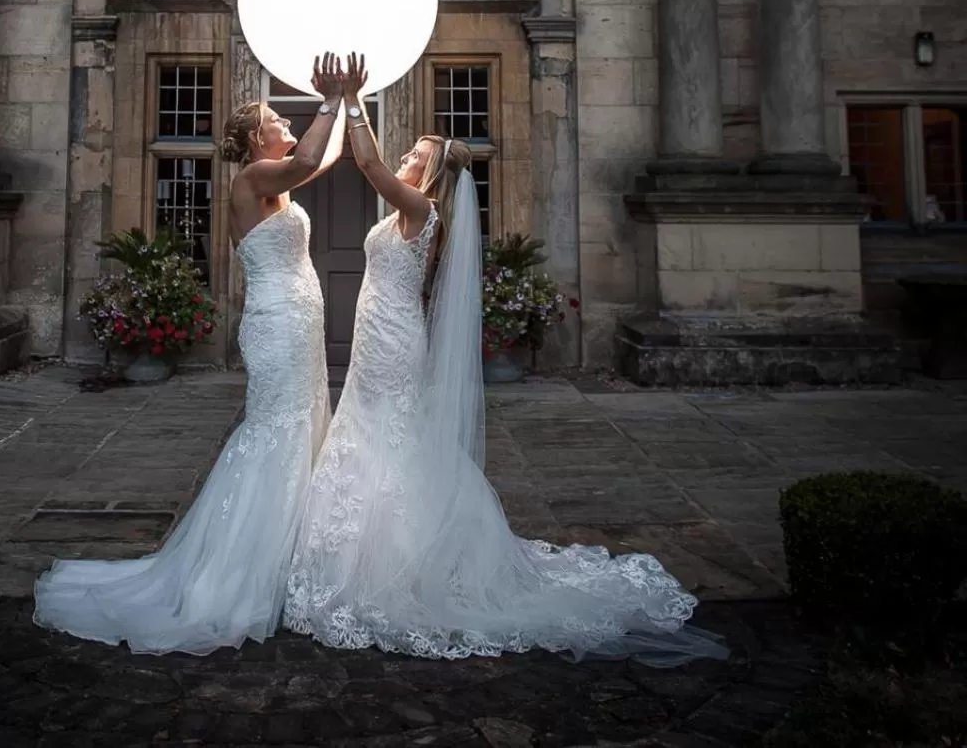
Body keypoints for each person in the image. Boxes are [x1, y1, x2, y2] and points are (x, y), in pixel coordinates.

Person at [284, 52, 728, 667]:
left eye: (415, 154)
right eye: (408, 152)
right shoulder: (406, 213)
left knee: (386, 435)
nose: (406, 157)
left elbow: (367, 163)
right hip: (375, 337)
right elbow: (370, 165)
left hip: (393, 343)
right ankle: (357, 550)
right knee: (374, 430)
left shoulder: (420, 211)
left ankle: (391, 559)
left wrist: (353, 98)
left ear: (433, 172)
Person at [35, 54, 345, 653]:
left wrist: (351, 103)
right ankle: (241, 574)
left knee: (303, 430)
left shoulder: (275, 178)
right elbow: (309, 156)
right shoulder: (250, 180)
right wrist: (329, 99)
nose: (289, 122)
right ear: (258, 136)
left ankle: (288, 564)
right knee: (276, 432)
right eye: (279, 119)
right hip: (277, 326)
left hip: (301, 325)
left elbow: (323, 160)